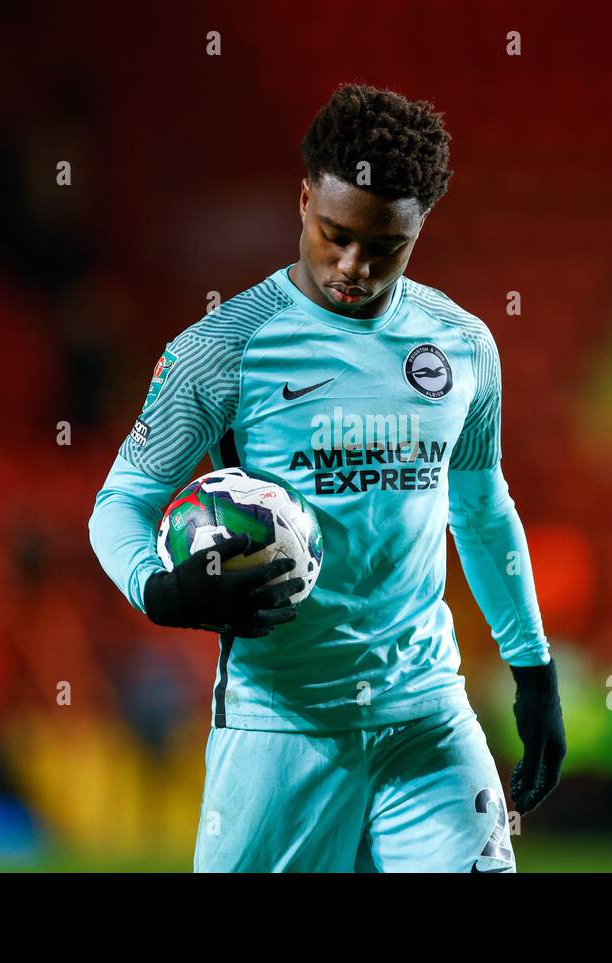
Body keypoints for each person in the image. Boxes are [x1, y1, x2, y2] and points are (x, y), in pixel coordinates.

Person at [90, 83, 564, 872]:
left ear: (420, 227)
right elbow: (122, 501)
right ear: (304, 198)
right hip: (283, 724)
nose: (355, 266)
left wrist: (533, 667)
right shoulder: (224, 348)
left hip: (428, 717)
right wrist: (158, 589)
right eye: (334, 233)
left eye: (386, 246)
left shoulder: (462, 345)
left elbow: (481, 509)